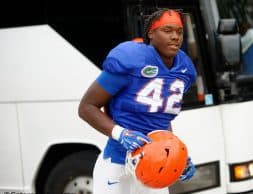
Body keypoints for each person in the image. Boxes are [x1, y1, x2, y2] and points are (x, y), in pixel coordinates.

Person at [78, 8, 197, 194]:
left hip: (154, 167)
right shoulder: (132, 58)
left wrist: (175, 153)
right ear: (151, 33)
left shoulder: (184, 70)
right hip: (117, 166)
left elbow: (160, 120)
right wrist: (121, 133)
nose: (175, 37)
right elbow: (86, 107)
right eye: (167, 31)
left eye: (179, 32)